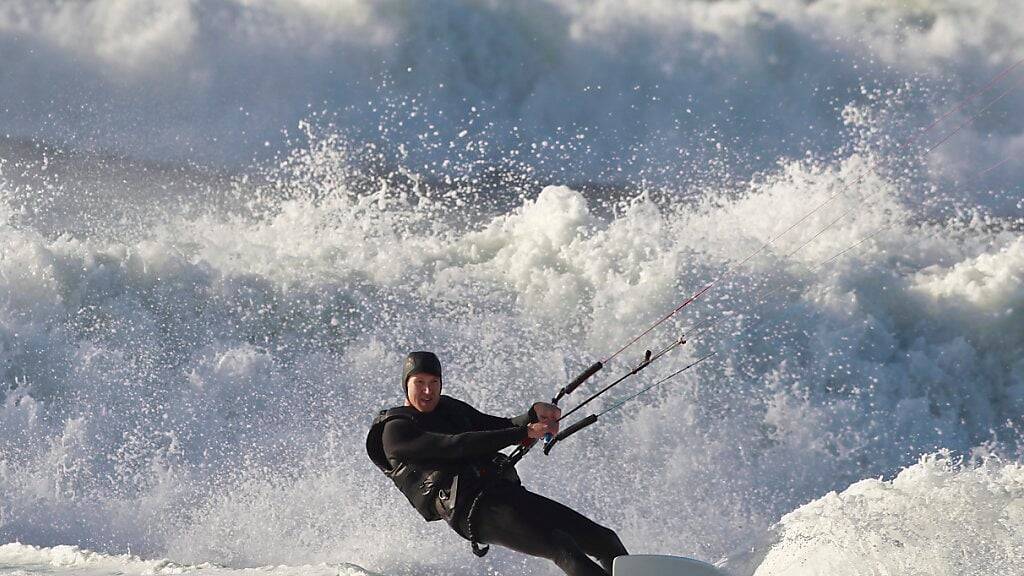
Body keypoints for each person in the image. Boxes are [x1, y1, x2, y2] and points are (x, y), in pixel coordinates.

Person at [366, 351, 628, 576]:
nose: (427, 391)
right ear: (405, 385)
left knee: (605, 540)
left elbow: (498, 425)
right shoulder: (395, 431)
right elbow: (455, 446)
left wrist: (531, 415)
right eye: (419, 382)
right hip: (471, 511)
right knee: (562, 547)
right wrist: (523, 433)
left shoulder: (448, 408)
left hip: (500, 491)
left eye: (434, 382)